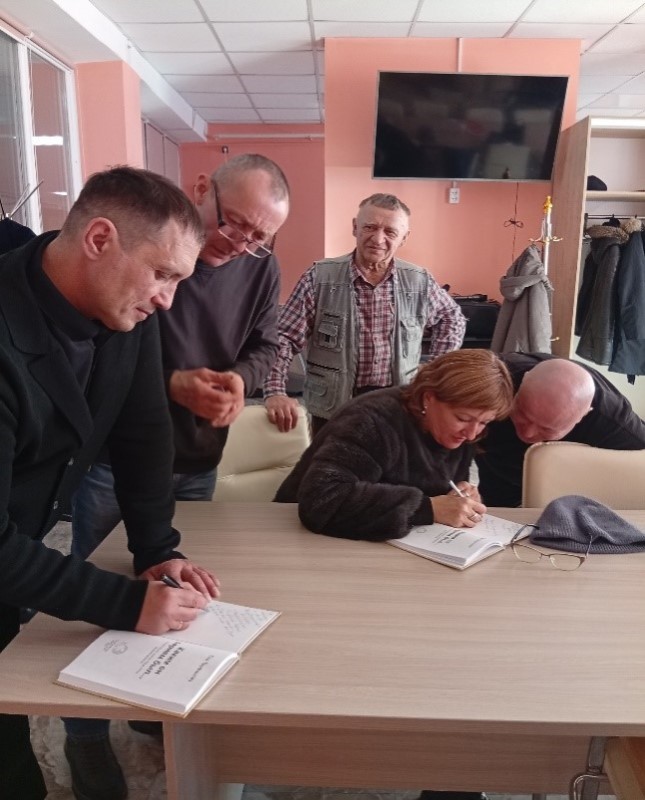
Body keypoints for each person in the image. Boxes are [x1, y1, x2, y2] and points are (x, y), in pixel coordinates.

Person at [0, 166, 220, 800]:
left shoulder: (124, 311)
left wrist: (157, 549)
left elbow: (143, 431)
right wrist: (126, 604)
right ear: (99, 239)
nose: (168, 300)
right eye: (163, 274)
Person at [72, 153, 290, 559]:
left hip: (198, 454)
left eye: (259, 238)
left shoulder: (262, 268)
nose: (241, 245)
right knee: (99, 567)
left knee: (177, 569)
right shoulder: (145, 248)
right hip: (116, 456)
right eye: (234, 223)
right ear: (202, 189)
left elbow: (266, 346)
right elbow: (95, 351)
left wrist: (241, 379)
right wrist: (172, 384)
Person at [263, 193, 466, 436]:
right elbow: (284, 337)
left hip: (399, 405)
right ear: (355, 227)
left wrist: (434, 373)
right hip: (334, 407)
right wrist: (275, 391)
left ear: (404, 238)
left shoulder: (419, 281)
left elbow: (452, 318)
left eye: (390, 232)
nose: (378, 239)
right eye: (370, 227)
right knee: (332, 460)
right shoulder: (319, 278)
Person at [275, 349, 513, 541]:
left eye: (484, 422)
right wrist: (426, 508)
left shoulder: (456, 429)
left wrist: (457, 498)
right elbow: (321, 500)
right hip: (296, 540)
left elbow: (435, 491)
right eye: (463, 418)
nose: (472, 434)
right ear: (429, 398)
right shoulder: (370, 421)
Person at [476, 352, 645, 508]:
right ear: (522, 383)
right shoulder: (493, 380)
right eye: (522, 413)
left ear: (582, 417)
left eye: (546, 428)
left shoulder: (609, 419)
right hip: (495, 460)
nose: (528, 433)